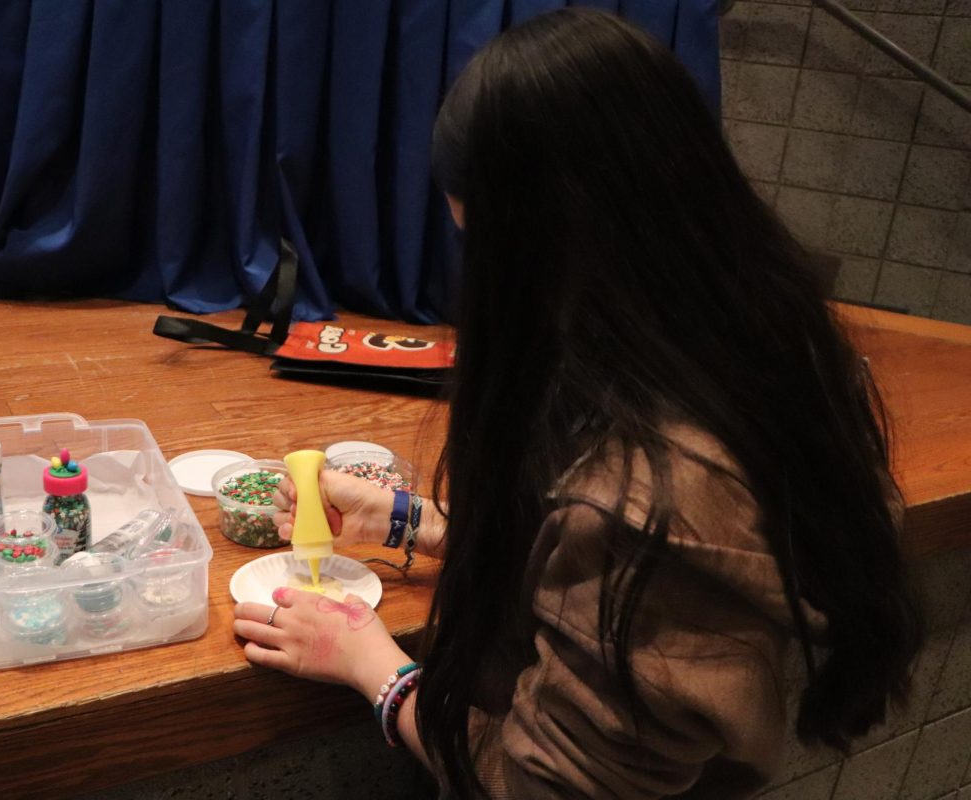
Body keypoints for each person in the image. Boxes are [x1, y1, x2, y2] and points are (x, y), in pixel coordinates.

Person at [231, 8, 923, 799]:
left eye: (481, 245)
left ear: (558, 241)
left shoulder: (663, 500)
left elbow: (544, 785)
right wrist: (404, 520)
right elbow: (581, 561)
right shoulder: (762, 349)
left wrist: (373, 666)